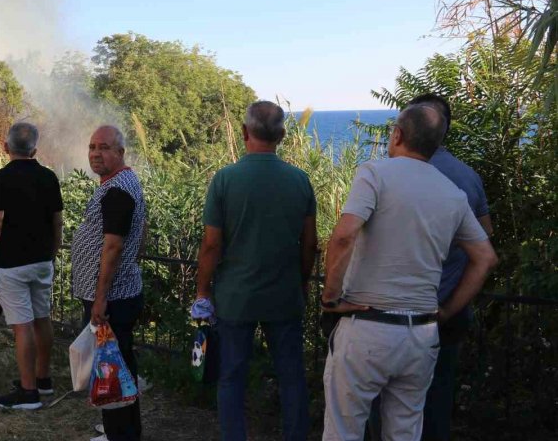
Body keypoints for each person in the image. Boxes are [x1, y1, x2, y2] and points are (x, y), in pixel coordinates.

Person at [321, 105, 498, 441]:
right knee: (404, 433)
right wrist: (445, 311)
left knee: (343, 431)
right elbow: (486, 258)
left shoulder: (374, 173)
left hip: (368, 327)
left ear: (398, 135)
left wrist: (330, 299)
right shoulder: (453, 194)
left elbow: (344, 235)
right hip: (421, 334)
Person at [192, 101, 316, 441]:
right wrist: (302, 283)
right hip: (284, 295)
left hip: (236, 297)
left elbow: (212, 245)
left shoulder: (225, 180)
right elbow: (309, 244)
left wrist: (203, 291)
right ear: (282, 135)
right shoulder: (300, 181)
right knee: (292, 376)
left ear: (245, 132)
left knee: (231, 377)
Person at [0, 122, 63, 410]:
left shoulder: (2, 178)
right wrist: (51, 253)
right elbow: (57, 222)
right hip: (42, 260)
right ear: (35, 150)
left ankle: (28, 393)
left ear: (6, 147)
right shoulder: (49, 177)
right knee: (42, 318)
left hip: (11, 263)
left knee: (22, 326)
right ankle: (43, 379)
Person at [71, 125, 146, 441]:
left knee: (113, 365)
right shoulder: (121, 183)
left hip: (113, 297)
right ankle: (122, 428)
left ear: (120, 152)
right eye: (91, 147)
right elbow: (141, 234)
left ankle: (121, 435)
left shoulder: (118, 190)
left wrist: (100, 299)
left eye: (103, 147)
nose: (95, 154)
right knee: (118, 362)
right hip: (118, 291)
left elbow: (113, 246)